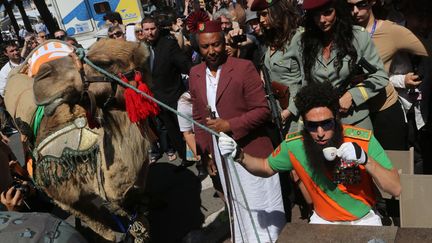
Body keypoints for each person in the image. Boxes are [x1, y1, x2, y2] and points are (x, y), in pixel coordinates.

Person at [218, 81, 401, 225]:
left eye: (326, 123)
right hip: (322, 221)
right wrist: (239, 155)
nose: (320, 133)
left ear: (337, 118)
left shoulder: (362, 140)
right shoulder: (294, 145)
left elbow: (396, 188)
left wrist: (366, 160)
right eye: (312, 126)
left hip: (363, 220)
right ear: (304, 123)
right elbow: (265, 167)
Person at [189, 20, 285, 242]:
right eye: (205, 47)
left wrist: (229, 125)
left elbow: (262, 110)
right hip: (222, 157)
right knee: (239, 206)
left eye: (216, 44)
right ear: (199, 48)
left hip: (251, 149)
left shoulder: (243, 68)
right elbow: (197, 117)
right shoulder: (195, 74)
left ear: (224, 43)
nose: (211, 51)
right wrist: (205, 151)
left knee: (261, 205)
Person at [348, 0, 431, 150]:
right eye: (350, 6)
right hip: (353, 113)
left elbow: (427, 50)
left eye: (361, 4)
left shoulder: (391, 31)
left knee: (393, 165)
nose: (355, 11)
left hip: (384, 111)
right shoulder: (342, 32)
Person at [298, 0, 389, 130]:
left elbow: (380, 76)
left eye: (328, 13)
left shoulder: (358, 37)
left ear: (338, 10)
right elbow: (305, 85)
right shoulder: (305, 43)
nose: (322, 20)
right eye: (316, 15)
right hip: (321, 126)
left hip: (355, 121)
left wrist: (352, 95)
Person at [141, 16, 192, 167]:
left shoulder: (168, 44)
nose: (150, 32)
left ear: (158, 28)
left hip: (176, 97)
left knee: (186, 132)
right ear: (142, 31)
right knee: (173, 133)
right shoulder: (142, 48)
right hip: (158, 100)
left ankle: (199, 161)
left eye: (152, 28)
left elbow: (184, 64)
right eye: (147, 29)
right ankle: (186, 159)